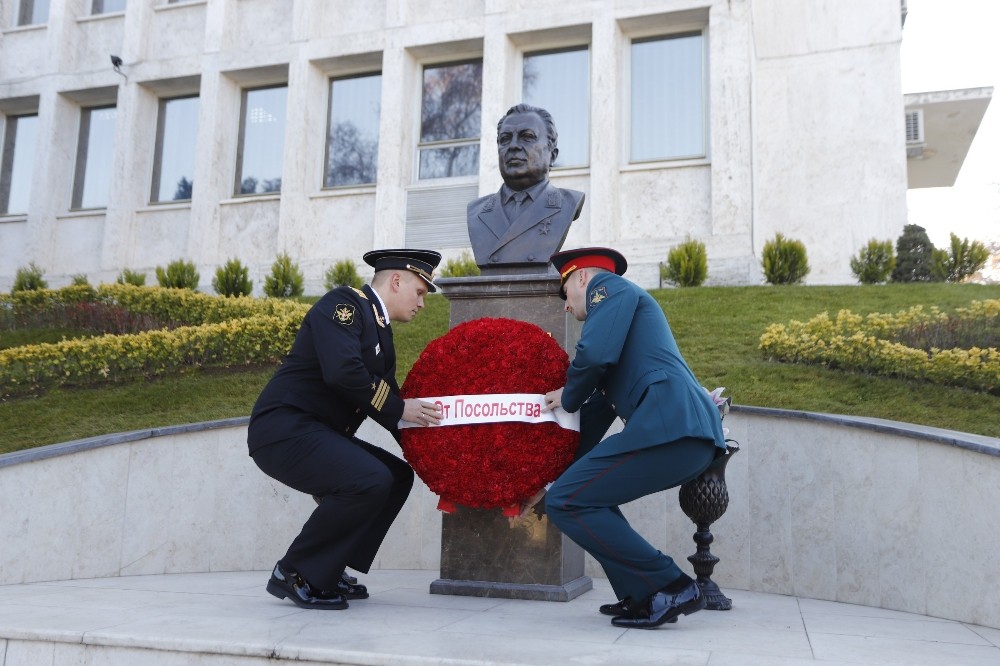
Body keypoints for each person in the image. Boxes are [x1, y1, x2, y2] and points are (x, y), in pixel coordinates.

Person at [540, 247, 727, 629]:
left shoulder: (608, 288)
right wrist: (548, 475)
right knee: (583, 494)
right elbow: (593, 419)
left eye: (564, 294)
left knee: (566, 500)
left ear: (581, 278)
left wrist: (567, 394)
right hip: (677, 431)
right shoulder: (619, 333)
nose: (564, 306)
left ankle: (671, 584)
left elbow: (592, 355)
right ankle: (643, 594)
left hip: (673, 427)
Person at [248, 249, 444, 610]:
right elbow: (343, 373)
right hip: (284, 428)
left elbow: (388, 405)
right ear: (396, 280)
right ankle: (297, 573)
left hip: (317, 432)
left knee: (396, 475)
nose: (422, 303)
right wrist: (401, 409)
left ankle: (328, 566)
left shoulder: (381, 333)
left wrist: (434, 456)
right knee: (369, 478)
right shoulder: (345, 305)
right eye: (420, 291)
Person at [466, 104, 584, 273]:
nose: (513, 146)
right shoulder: (476, 211)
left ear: (552, 155)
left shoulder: (568, 203)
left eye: (527, 137)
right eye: (505, 139)